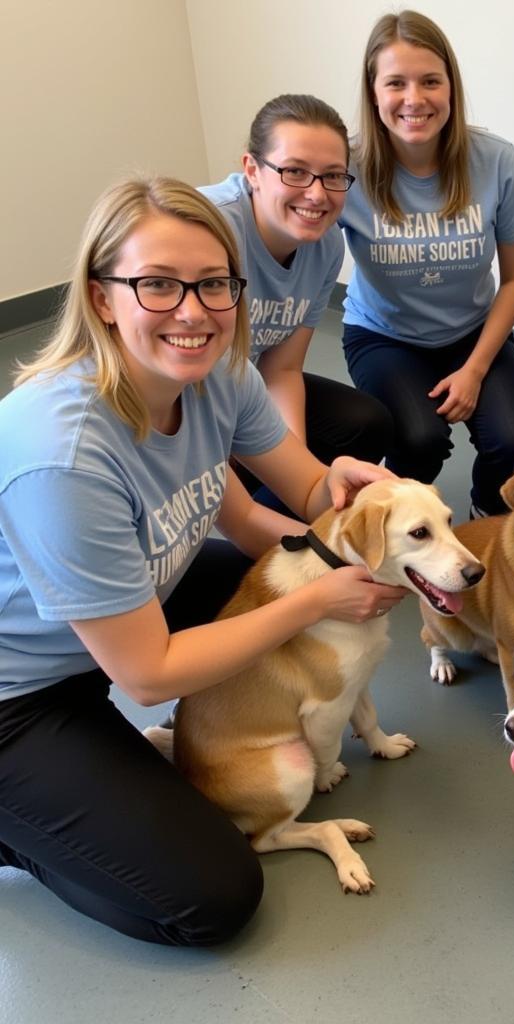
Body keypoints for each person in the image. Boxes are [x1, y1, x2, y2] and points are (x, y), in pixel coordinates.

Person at [0, 178, 407, 945]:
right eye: (158, 284)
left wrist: (342, 494)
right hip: (23, 697)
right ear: (101, 297)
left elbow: (273, 506)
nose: (194, 311)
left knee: (278, 592)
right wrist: (316, 599)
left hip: (126, 617)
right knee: (212, 898)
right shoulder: (64, 456)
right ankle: (19, 824)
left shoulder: (217, 377)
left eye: (214, 283)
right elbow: (147, 675)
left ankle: (116, 765)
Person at [340, 9, 514, 518]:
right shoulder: (345, 169)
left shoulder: (496, 161)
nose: (415, 99)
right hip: (384, 336)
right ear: (373, 93)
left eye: (431, 81)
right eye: (396, 83)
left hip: (474, 333)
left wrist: (474, 369)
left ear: (451, 86)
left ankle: (481, 518)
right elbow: (278, 202)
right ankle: (399, 524)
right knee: (420, 438)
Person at [200, 94, 393, 502]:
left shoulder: (326, 246)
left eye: (333, 176)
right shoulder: (207, 229)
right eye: (295, 172)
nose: (317, 194)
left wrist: (301, 478)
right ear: (252, 170)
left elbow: (282, 369)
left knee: (365, 423)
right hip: (179, 398)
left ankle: (279, 519)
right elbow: (178, 377)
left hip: (241, 387)